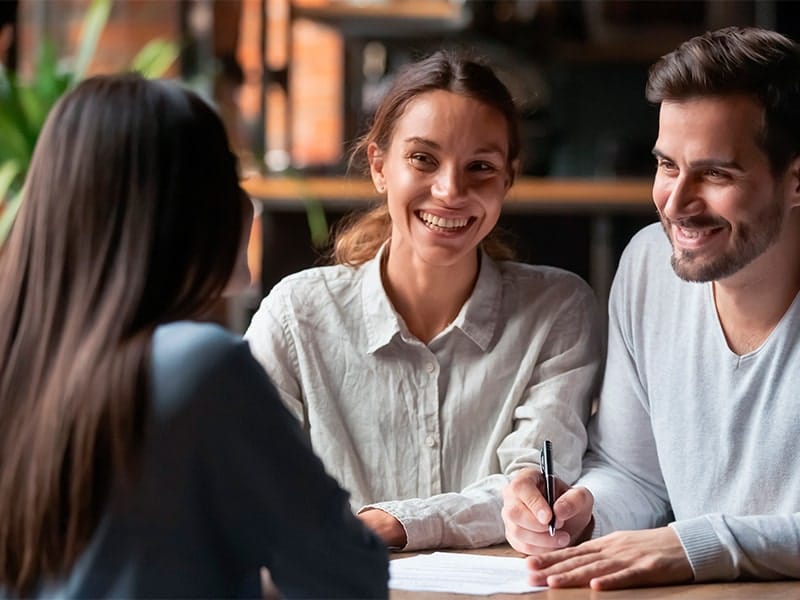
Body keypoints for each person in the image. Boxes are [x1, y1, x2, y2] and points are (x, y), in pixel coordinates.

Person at [0, 73, 388, 599]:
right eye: (230, 179)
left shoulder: (21, 360)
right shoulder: (200, 367)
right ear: (181, 210)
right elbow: (345, 577)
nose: (245, 205)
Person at [244, 50, 603, 551]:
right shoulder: (296, 316)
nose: (451, 190)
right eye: (423, 159)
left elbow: (532, 494)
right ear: (378, 166)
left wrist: (395, 524)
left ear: (508, 179)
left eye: (480, 166)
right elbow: (250, 482)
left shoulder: (558, 309)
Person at [502, 26, 800, 588]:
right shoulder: (647, 265)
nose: (677, 203)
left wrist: (700, 546)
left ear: (795, 179)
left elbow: (691, 544)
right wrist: (582, 510)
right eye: (667, 166)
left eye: (715, 173)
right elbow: (633, 472)